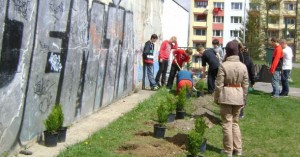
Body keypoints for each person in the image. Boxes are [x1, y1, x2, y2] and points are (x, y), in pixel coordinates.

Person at [214, 41, 249, 157]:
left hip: (226, 96)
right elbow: (245, 85)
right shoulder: (243, 66)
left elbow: (219, 84)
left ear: (227, 52)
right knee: (235, 123)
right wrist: (244, 99)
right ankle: (238, 150)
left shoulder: (224, 65)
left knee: (227, 123)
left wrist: (216, 97)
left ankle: (228, 151)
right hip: (238, 96)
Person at [238, 43, 255, 118]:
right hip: (246, 80)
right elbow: (252, 71)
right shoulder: (250, 60)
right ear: (247, 50)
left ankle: (236, 111)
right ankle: (241, 112)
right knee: (244, 96)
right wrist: (253, 81)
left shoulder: (238, 58)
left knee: (237, 95)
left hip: (238, 79)